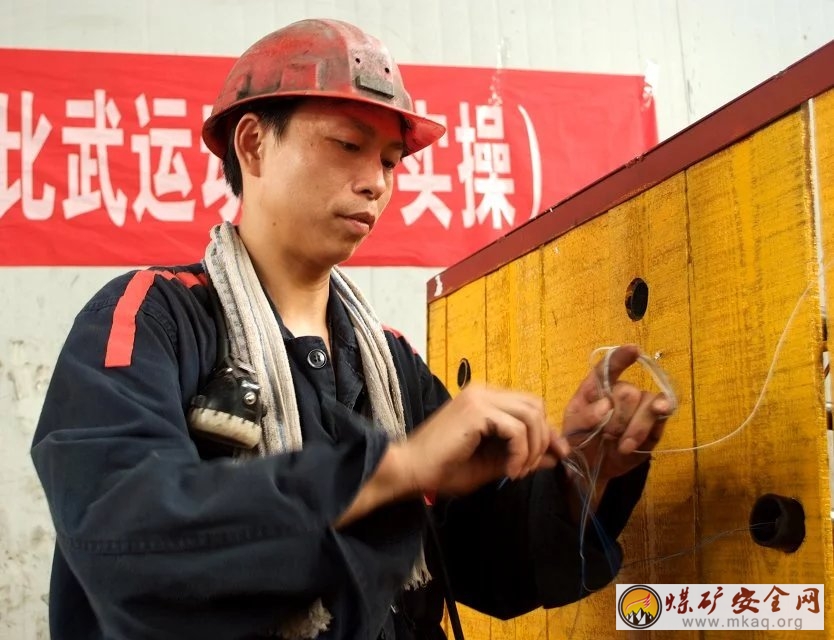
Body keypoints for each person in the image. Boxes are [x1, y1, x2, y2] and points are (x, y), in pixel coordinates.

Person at [31, 18, 673, 640]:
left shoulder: (389, 363)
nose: (375, 183)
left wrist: (584, 474)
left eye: (390, 161)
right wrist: (392, 471)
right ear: (252, 145)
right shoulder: (149, 318)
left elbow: (486, 564)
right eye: (347, 145)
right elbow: (121, 533)